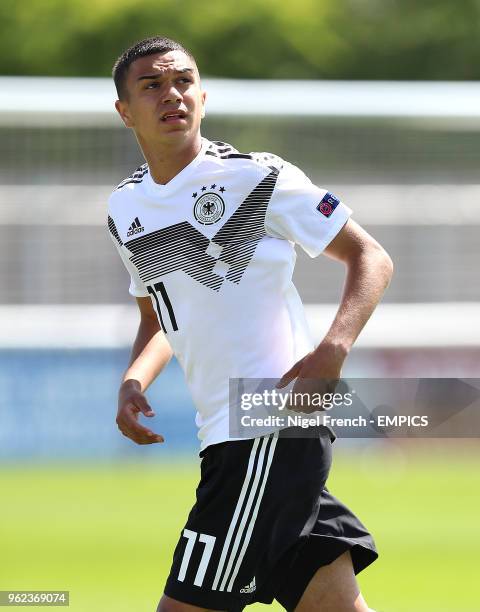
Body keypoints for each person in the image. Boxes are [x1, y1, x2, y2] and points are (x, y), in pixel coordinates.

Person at [108, 36, 393, 612]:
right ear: (124, 111)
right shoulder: (125, 208)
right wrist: (135, 379)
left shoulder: (258, 177)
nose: (172, 95)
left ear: (203, 97)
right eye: (152, 86)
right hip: (224, 432)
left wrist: (331, 352)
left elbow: (372, 258)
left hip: (265, 421)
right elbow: (161, 313)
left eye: (183, 81)